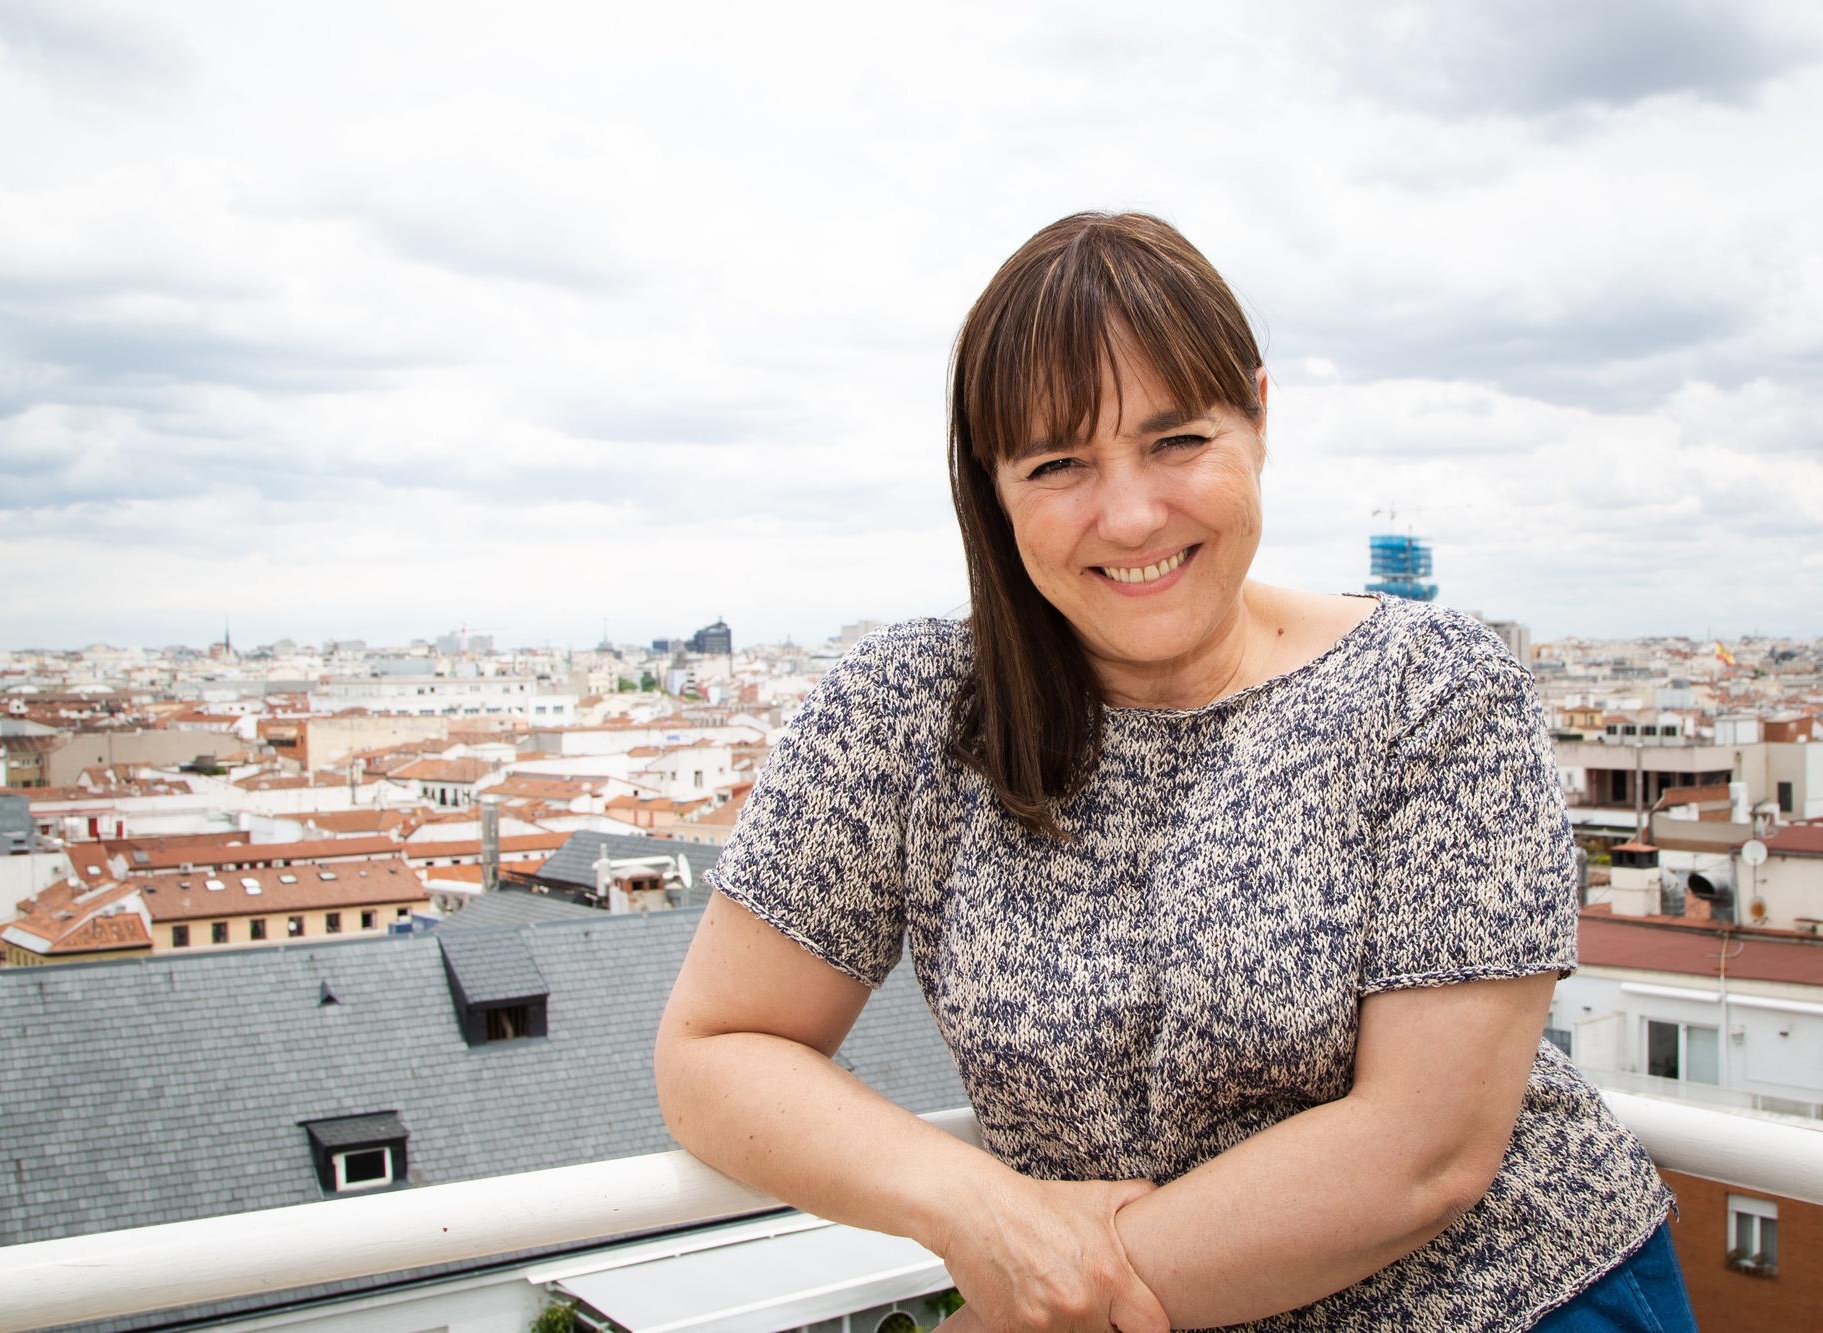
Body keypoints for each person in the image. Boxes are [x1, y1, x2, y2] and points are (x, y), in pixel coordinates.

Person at [653, 211, 1690, 1331]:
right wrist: (973, 1209)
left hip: (1512, 1303)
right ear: (989, 489)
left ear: (1255, 415)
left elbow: (1421, 1153)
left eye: (1176, 441)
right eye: (1057, 464)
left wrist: (1026, 1312)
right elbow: (716, 1049)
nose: (1132, 513)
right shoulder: (908, 712)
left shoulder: (1430, 691)